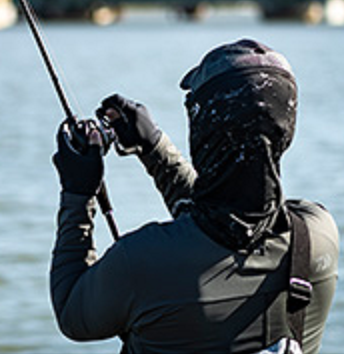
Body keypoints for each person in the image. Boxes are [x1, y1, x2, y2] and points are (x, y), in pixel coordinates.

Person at [49, 39, 338, 354]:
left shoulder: (140, 261)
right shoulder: (317, 235)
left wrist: (77, 194)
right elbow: (223, 223)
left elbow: (71, 312)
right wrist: (155, 150)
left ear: (204, 130)